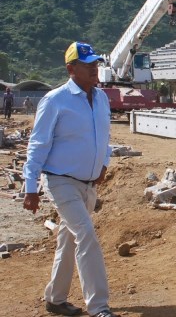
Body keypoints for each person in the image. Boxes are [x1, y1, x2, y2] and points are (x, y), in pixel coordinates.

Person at [22, 42, 119, 317]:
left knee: (69, 239)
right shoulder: (55, 100)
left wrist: (103, 163)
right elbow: (37, 145)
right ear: (71, 68)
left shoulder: (100, 98)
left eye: (95, 64)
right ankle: (99, 307)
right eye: (88, 65)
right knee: (86, 236)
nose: (94, 69)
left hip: (88, 185)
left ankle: (55, 298)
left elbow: (105, 136)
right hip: (60, 182)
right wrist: (31, 189)